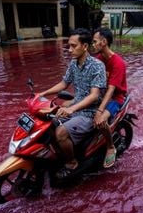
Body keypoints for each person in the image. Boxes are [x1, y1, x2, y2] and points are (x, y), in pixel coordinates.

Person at [39, 28, 106, 178]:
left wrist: (72, 108)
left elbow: (94, 95)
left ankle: (72, 162)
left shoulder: (97, 66)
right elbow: (63, 84)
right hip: (74, 107)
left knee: (60, 133)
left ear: (85, 46)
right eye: (69, 46)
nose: (69, 50)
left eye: (73, 46)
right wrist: (42, 93)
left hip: (90, 112)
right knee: (48, 123)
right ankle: (63, 153)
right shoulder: (73, 63)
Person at [92, 27, 127, 168]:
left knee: (100, 121)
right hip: (101, 95)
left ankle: (110, 146)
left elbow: (111, 90)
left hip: (115, 98)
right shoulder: (99, 59)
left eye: (95, 42)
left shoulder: (118, 63)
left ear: (104, 42)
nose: (93, 45)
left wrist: (100, 111)